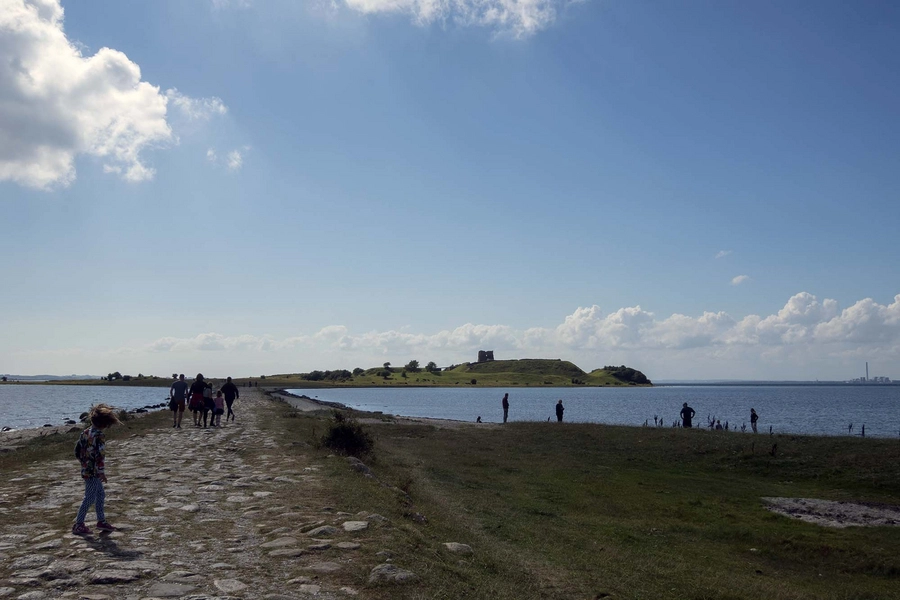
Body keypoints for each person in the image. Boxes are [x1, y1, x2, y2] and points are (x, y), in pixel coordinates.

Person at [72, 404, 121, 535]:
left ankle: (101, 521)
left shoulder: (85, 432)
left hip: (86, 469)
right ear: (105, 424)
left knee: (100, 494)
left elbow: (77, 451)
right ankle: (79, 524)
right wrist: (101, 473)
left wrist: (83, 463)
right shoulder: (99, 436)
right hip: (93, 472)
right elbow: (100, 456)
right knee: (89, 498)